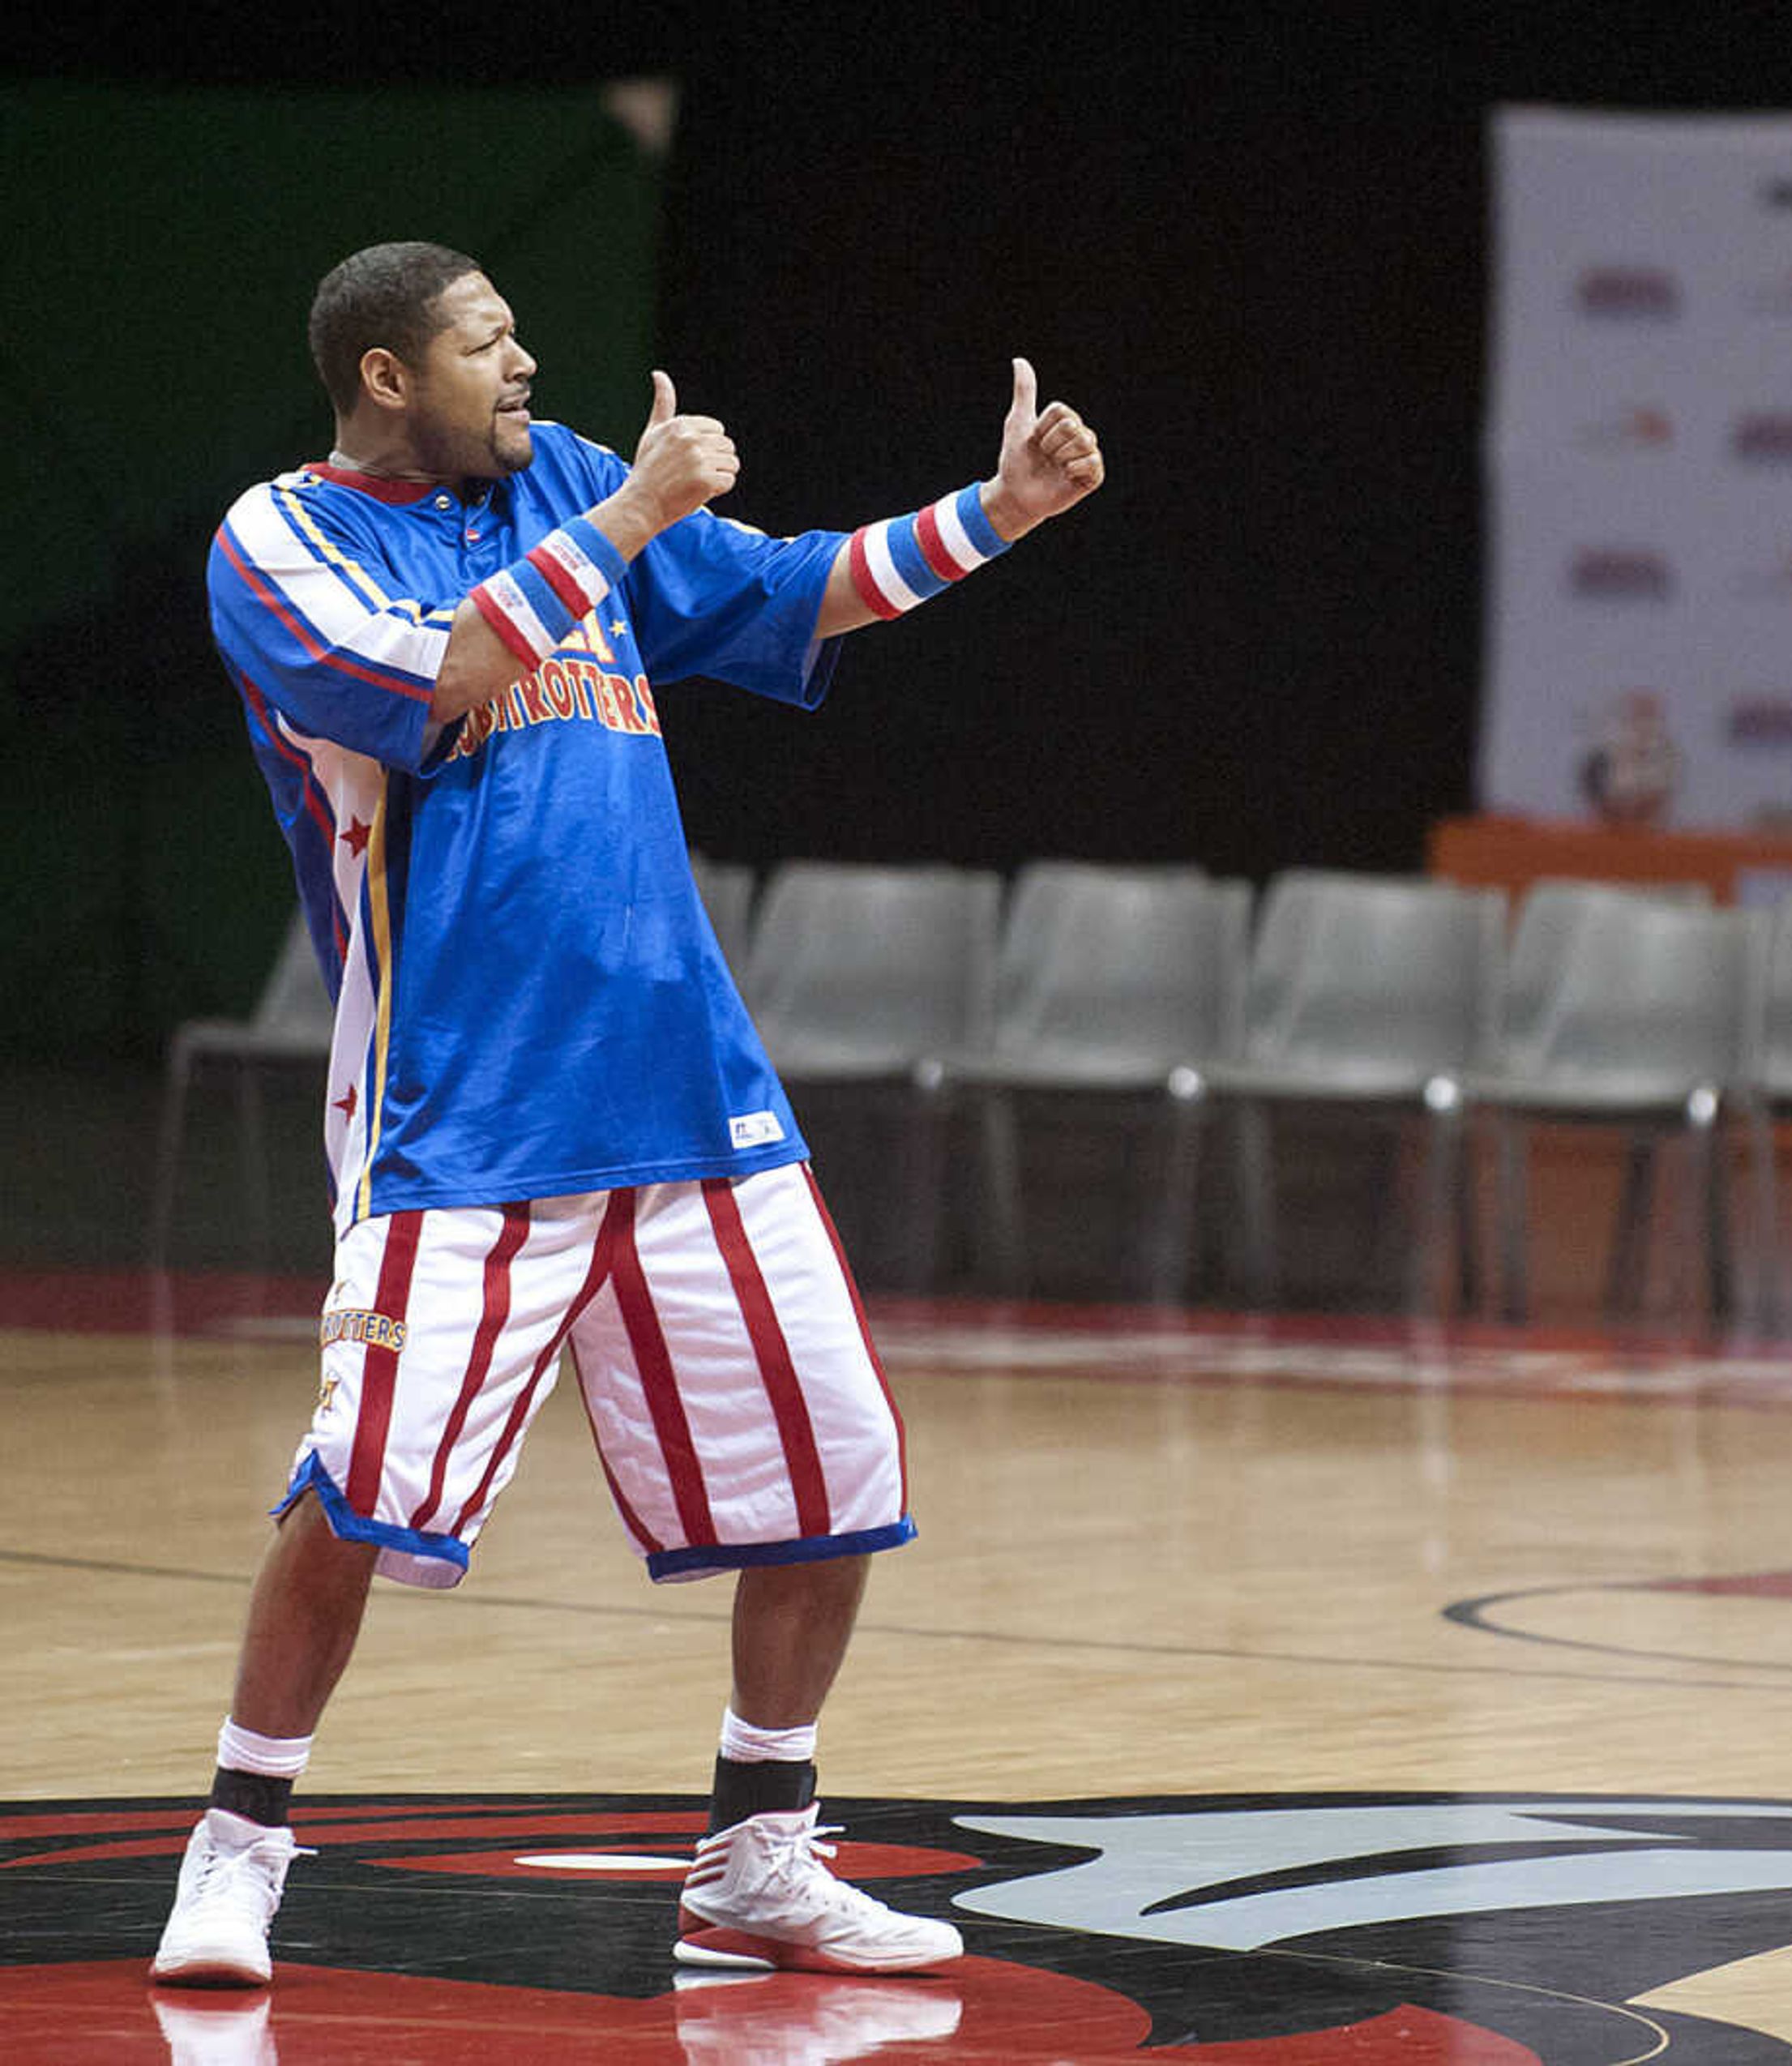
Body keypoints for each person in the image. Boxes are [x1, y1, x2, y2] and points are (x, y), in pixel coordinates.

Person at [152, 242, 1104, 1988]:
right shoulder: (278, 542)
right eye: (485, 341)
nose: (525, 365)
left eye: (521, 334)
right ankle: (237, 1844)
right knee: (363, 1491)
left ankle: (758, 1851)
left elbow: (793, 589)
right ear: (383, 376)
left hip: (686, 1090)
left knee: (833, 1479)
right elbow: (427, 680)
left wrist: (993, 512)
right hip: (463, 1110)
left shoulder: (578, 478)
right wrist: (627, 517)